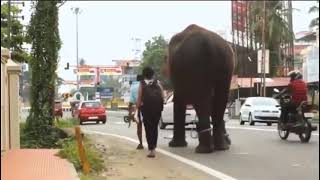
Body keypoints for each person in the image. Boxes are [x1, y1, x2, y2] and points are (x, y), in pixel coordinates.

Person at [136, 67, 164, 158]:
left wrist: (137, 108)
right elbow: (162, 96)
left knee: (148, 128)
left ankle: (151, 149)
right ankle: (154, 147)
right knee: (154, 128)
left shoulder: (142, 84)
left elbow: (139, 97)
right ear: (153, 74)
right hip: (157, 109)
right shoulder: (158, 82)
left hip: (146, 109)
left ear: (144, 75)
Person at [128, 75, 144, 150]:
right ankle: (152, 144)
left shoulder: (133, 87)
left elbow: (131, 102)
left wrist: (129, 113)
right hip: (150, 107)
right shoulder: (146, 84)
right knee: (150, 127)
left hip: (139, 108)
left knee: (139, 126)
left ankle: (141, 143)